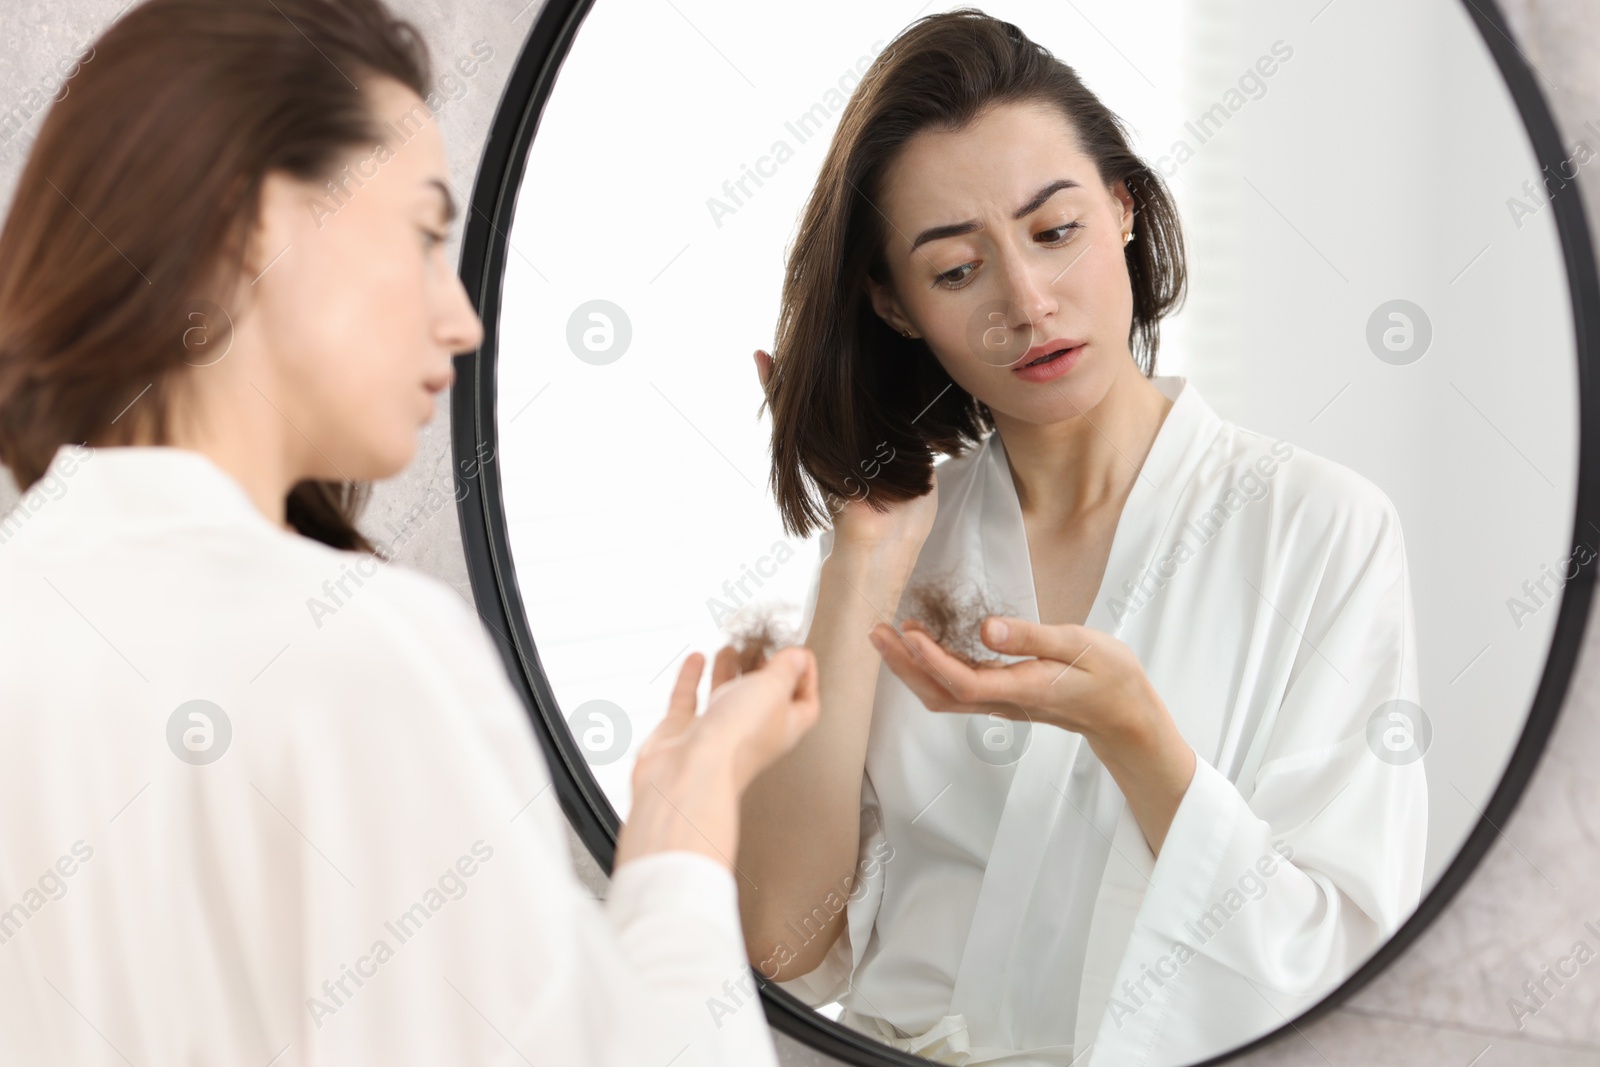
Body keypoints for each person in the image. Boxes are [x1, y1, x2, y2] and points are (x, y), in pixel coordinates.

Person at [0, 2, 817, 1064]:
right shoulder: (354, 648)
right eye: (426, 234)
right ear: (250, 222)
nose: (462, 318)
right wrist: (691, 821)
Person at [735, 11, 1427, 1066]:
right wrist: (857, 558)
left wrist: (1134, 732)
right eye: (957, 270)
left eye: (1054, 231)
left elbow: (1337, 957)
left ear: (1124, 209)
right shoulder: (899, 544)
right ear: (894, 303)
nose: (1027, 301)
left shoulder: (1318, 529)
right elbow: (786, 941)